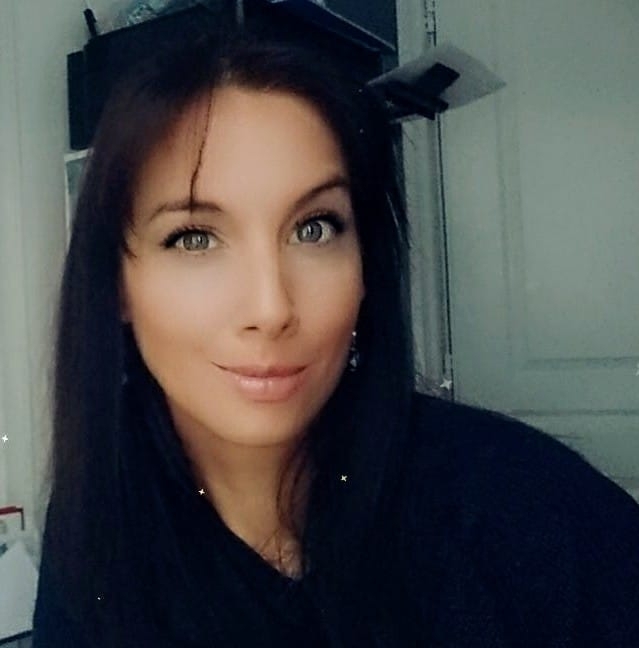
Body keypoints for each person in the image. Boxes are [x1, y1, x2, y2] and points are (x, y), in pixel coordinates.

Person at [32, 29, 639, 648]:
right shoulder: (96, 530)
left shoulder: (519, 507)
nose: (271, 309)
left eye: (315, 229)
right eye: (194, 238)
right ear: (117, 285)